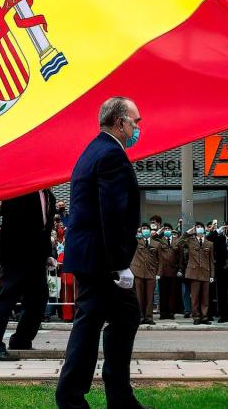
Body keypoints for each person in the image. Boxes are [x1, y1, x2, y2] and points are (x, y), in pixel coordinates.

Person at [56, 97, 144, 409]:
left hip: (92, 255)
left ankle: (96, 396)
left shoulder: (94, 150)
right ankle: (86, 396)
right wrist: (119, 264)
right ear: (120, 123)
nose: (137, 127)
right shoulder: (110, 155)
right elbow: (113, 213)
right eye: (135, 121)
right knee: (115, 318)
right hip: (102, 259)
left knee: (97, 321)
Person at [0, 187, 57, 360]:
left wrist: (47, 254)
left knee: (39, 299)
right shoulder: (22, 189)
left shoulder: (49, 197)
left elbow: (45, 229)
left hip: (36, 257)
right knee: (7, 297)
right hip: (16, 254)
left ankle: (21, 340)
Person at [180, 223, 214, 325]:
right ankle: (196, 316)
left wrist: (212, 275)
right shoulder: (190, 241)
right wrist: (187, 233)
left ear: (204, 230)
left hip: (205, 272)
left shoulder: (209, 244)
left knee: (205, 297)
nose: (199, 230)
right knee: (195, 297)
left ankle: (204, 316)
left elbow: (211, 261)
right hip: (194, 273)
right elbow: (178, 243)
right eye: (197, 228)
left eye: (200, 228)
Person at [129, 226, 162, 326]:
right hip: (138, 272)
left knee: (150, 296)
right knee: (139, 296)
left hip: (151, 273)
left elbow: (160, 260)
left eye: (147, 229)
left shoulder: (156, 244)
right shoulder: (137, 242)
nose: (145, 231)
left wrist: (159, 273)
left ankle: (148, 317)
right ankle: (140, 316)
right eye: (143, 229)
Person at [156, 225, 183, 320]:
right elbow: (153, 238)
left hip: (173, 270)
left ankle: (171, 313)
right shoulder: (160, 240)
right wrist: (159, 231)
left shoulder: (177, 240)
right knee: (162, 293)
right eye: (165, 229)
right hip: (162, 271)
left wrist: (180, 269)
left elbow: (180, 256)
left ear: (171, 230)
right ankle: (163, 313)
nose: (167, 230)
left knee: (172, 293)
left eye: (168, 229)